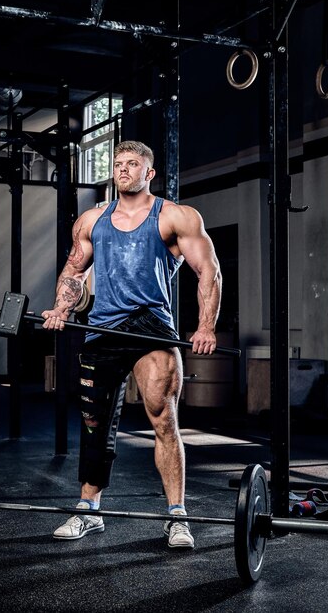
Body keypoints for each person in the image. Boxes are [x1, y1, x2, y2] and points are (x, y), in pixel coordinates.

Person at [42, 140, 222, 549]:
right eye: (118, 164)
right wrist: (61, 309)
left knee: (163, 418)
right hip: (103, 329)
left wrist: (205, 326)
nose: (123, 170)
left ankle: (177, 516)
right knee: (94, 425)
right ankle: (89, 510)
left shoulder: (175, 216)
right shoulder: (92, 219)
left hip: (151, 329)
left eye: (133, 164)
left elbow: (208, 271)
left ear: (149, 173)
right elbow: (74, 269)